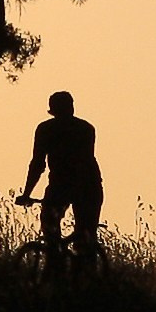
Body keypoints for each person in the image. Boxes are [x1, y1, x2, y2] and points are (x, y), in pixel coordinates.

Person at [17, 90, 102, 267]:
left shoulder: (46, 129)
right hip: (86, 185)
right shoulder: (86, 128)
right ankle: (82, 271)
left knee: (52, 227)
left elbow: (37, 164)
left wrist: (27, 193)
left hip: (72, 185)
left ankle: (57, 265)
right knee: (85, 235)